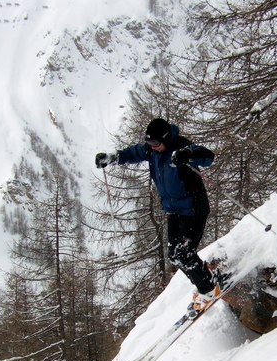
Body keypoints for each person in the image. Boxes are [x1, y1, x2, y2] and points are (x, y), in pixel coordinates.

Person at [96, 117, 225, 311]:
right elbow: (134, 152)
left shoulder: (181, 146)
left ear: (165, 138)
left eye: (155, 143)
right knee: (174, 255)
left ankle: (208, 289)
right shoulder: (152, 150)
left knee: (184, 254)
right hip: (174, 210)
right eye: (149, 143)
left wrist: (188, 153)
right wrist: (113, 157)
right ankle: (208, 280)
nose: (152, 147)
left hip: (194, 209)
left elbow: (207, 156)